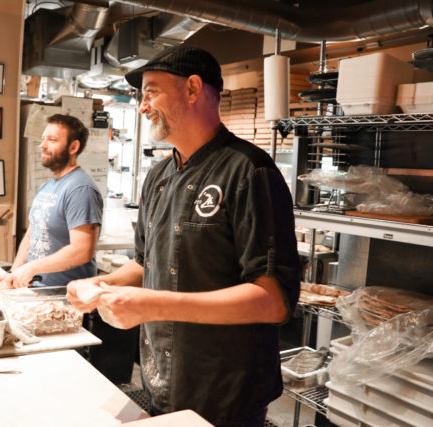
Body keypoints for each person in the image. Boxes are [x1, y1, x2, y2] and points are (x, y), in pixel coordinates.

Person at [66, 45, 301, 426]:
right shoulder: (159, 177)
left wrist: (154, 305)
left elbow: (273, 300)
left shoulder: (250, 171)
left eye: (151, 91)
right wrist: (101, 284)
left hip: (225, 395)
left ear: (192, 89)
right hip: (160, 381)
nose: (143, 106)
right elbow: (145, 263)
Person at [0, 113, 103, 289]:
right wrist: (12, 276)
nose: (42, 146)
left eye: (52, 140)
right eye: (43, 139)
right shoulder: (46, 187)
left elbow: (82, 251)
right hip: (38, 293)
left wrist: (32, 268)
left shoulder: (80, 189)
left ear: (73, 147)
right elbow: (32, 235)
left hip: (66, 299)